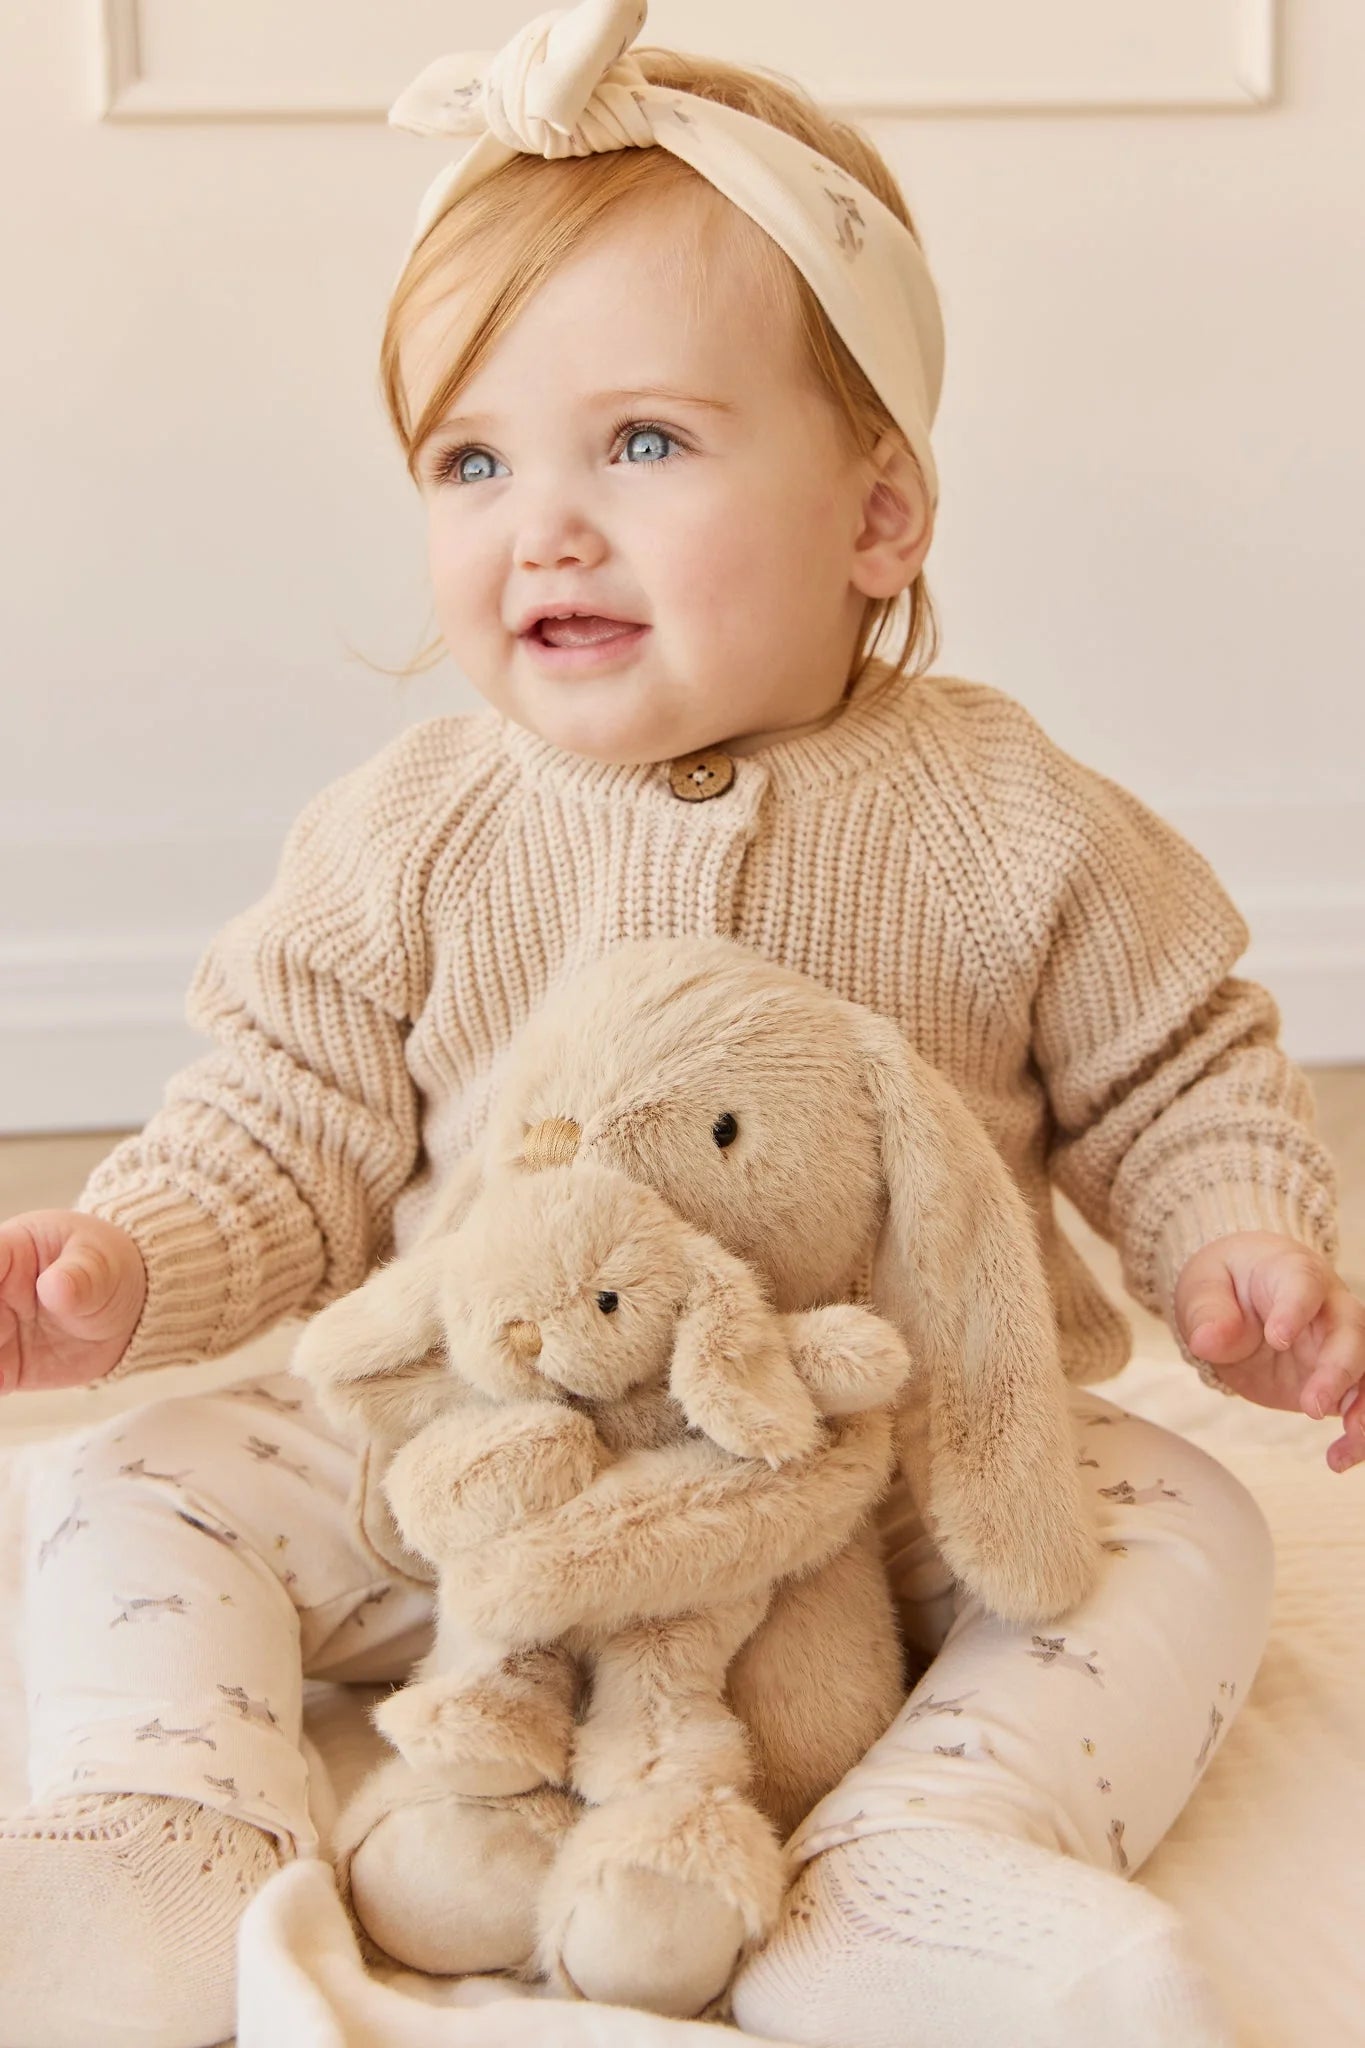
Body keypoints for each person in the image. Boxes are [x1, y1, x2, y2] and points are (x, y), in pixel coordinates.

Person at [1, 3, 1361, 2045]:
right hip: (483, 1464)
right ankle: (166, 1822)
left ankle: (922, 1852)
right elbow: (278, 1126)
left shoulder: (1007, 816)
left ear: (876, 515)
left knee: (1182, 1529)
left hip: (875, 1487)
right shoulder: (412, 828)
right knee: (133, 1476)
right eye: (471, 461)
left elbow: (1174, 1069)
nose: (541, 523)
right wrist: (121, 1264)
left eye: (639, 442)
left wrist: (1236, 1241)